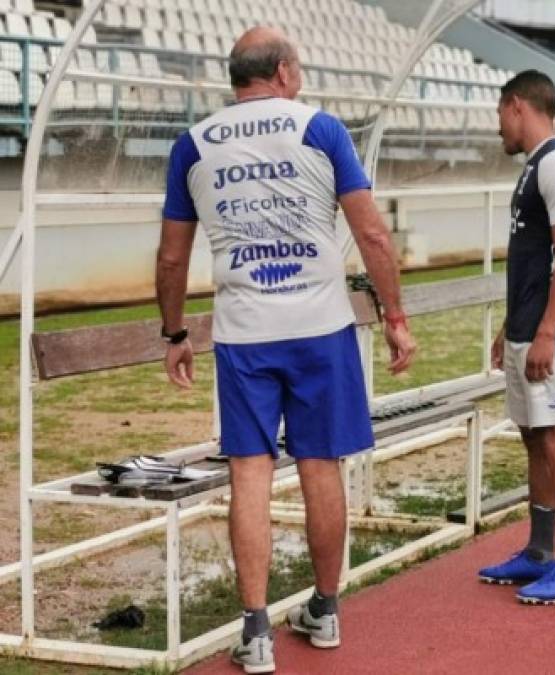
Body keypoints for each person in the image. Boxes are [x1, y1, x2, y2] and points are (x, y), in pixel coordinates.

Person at [156, 27, 416, 673]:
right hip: (320, 325)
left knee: (250, 471)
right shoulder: (321, 129)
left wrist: (173, 333)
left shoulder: (194, 143)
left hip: (244, 331)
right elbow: (373, 234)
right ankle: (325, 609)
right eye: (297, 63)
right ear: (281, 70)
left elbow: (169, 255)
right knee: (318, 465)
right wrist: (395, 317)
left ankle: (256, 631)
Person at [477, 70, 555, 605]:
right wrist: (513, 326)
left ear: (517, 106)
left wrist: (547, 331)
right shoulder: (535, 167)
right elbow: (534, 260)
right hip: (529, 326)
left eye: (500, 113)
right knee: (533, 437)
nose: (499, 125)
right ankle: (539, 551)